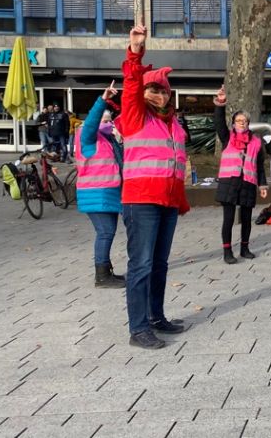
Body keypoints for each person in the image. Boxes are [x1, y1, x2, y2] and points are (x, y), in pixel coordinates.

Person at [118, 25, 190, 350]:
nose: (158, 94)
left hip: (167, 202)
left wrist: (180, 201)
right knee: (142, 264)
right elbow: (133, 84)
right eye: (153, 90)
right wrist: (135, 52)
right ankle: (138, 328)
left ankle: (156, 317)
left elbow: (174, 166)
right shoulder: (135, 116)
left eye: (162, 90)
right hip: (141, 202)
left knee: (160, 264)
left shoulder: (173, 123)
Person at [75, 81, 125, 289]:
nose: (108, 123)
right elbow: (92, 122)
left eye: (109, 120)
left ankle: (107, 270)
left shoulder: (109, 139)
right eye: (103, 120)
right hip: (96, 193)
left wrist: (120, 141)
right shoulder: (88, 137)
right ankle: (102, 276)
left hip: (110, 193)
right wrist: (102, 100)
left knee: (108, 231)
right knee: (105, 232)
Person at [213, 85, 269, 264]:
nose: (242, 123)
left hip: (248, 182)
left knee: (246, 219)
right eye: (238, 121)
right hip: (229, 182)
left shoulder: (256, 142)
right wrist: (220, 103)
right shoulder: (227, 137)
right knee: (228, 219)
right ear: (234, 123)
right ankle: (227, 251)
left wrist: (263, 185)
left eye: (244, 121)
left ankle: (245, 248)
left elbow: (260, 166)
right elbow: (218, 122)